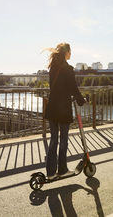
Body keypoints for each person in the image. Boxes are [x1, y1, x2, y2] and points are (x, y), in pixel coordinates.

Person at [44, 43, 85, 180]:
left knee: (53, 140)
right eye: (70, 51)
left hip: (52, 107)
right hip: (63, 109)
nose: (71, 54)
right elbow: (73, 88)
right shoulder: (67, 69)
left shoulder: (53, 68)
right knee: (63, 140)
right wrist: (81, 100)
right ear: (66, 52)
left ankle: (50, 173)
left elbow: (57, 88)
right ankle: (62, 169)